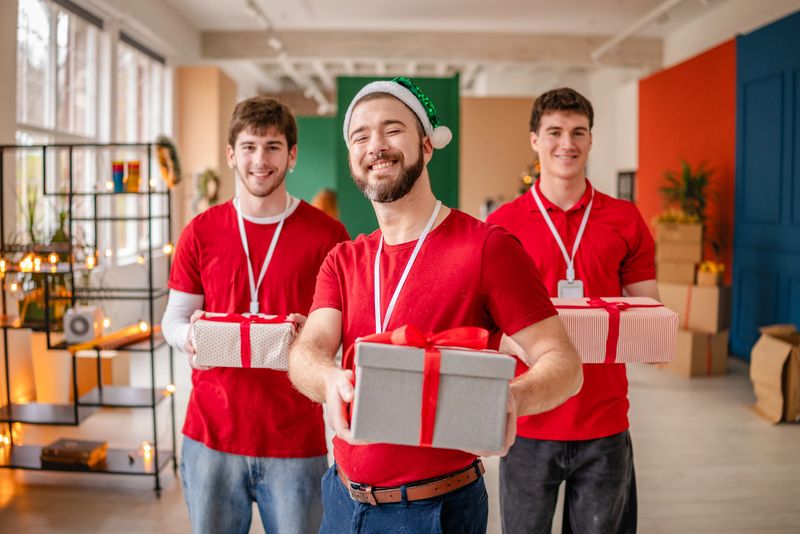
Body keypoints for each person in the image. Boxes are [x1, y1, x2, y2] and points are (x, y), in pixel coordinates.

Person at [288, 77, 583, 533]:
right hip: (344, 500)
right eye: (360, 136)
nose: (376, 146)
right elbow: (308, 350)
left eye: (392, 129)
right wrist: (328, 381)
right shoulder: (343, 260)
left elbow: (562, 361)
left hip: (437, 509)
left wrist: (512, 398)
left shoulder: (486, 247)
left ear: (427, 145)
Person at [161, 96, 349, 534]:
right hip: (210, 436)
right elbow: (173, 319)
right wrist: (191, 337)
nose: (259, 160)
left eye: (272, 146)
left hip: (294, 440)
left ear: (292, 155)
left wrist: (316, 339)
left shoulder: (327, 235)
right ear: (231, 154)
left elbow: (345, 331)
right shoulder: (200, 231)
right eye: (248, 146)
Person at [487, 87, 658, 534]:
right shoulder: (502, 224)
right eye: (555, 132)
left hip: (604, 419)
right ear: (534, 140)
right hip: (527, 416)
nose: (567, 143)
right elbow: (484, 321)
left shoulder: (625, 219)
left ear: (591, 139)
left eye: (578, 132)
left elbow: (647, 309)